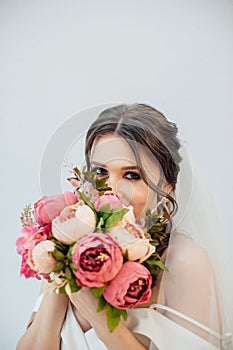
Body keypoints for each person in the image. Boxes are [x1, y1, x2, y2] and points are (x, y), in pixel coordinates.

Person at [16, 103, 232, 350]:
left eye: (132, 175)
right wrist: (63, 279)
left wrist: (99, 317)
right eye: (100, 171)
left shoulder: (184, 261)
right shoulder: (69, 250)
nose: (113, 191)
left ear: (167, 186)